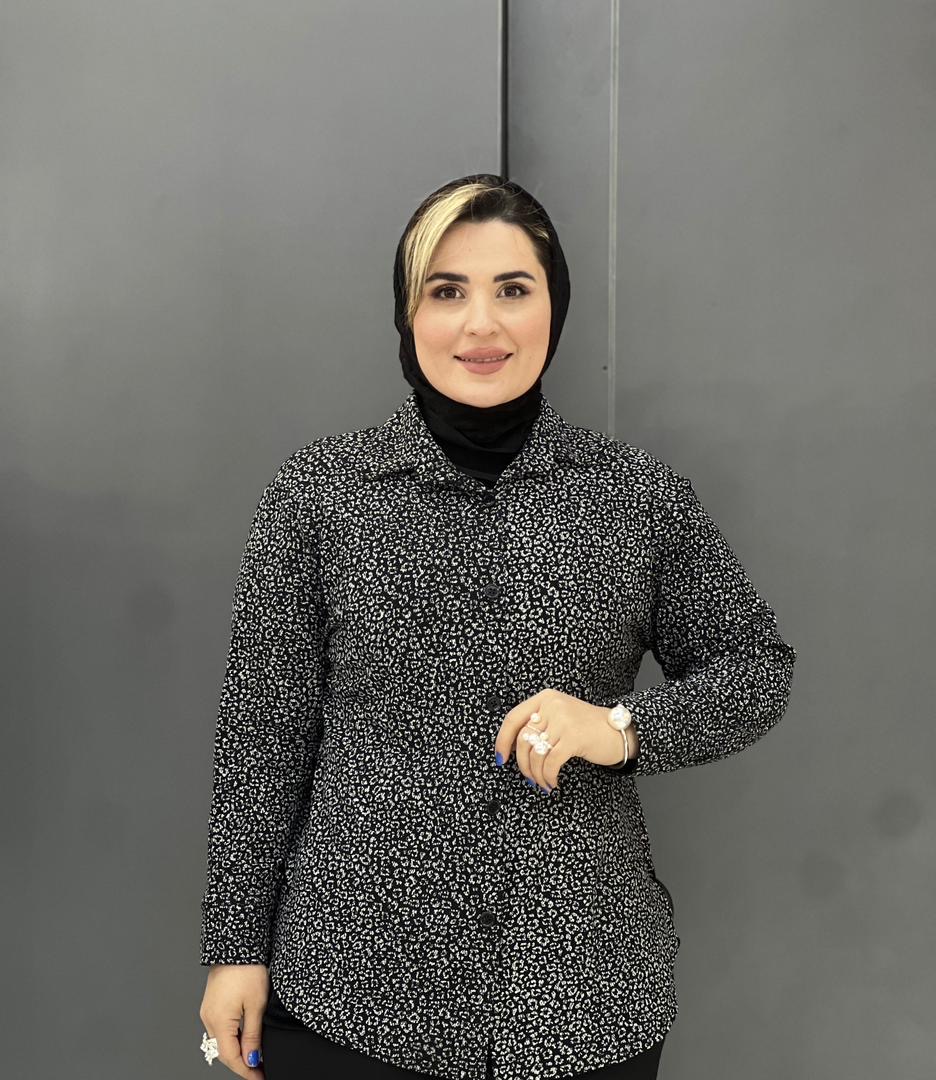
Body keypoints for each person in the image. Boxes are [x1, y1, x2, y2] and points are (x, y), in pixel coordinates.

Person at [197, 174, 798, 1080]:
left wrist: (621, 727)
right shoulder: (318, 497)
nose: (481, 324)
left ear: (555, 307)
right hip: (354, 992)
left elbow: (756, 668)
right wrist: (234, 946)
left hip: (581, 995)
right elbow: (263, 736)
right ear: (408, 314)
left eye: (513, 289)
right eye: (447, 292)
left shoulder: (635, 497)